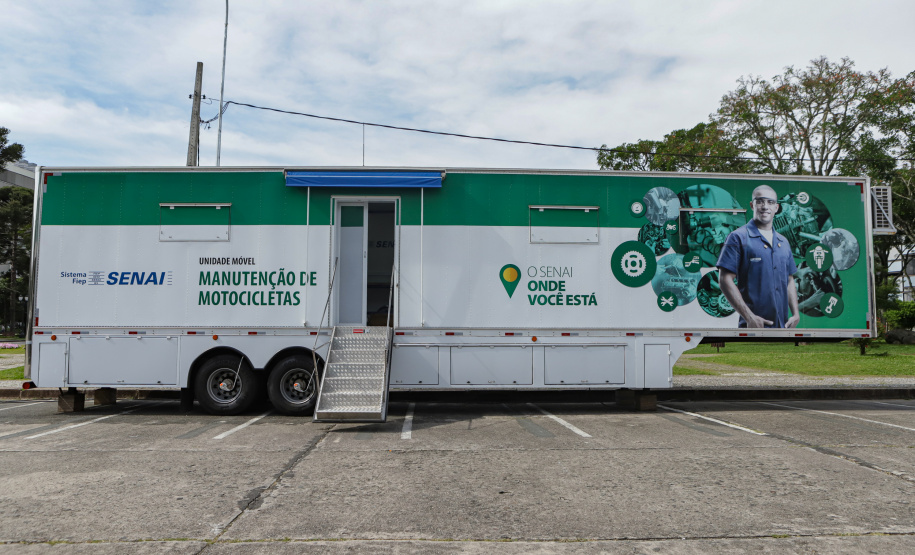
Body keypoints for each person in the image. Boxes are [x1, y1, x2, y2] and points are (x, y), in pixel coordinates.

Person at [716, 185, 800, 328]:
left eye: (770, 202)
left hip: (782, 327)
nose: (765, 206)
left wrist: (796, 314)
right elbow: (725, 279)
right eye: (760, 201)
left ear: (776, 208)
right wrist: (749, 318)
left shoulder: (783, 242)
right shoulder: (738, 238)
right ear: (752, 205)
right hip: (752, 328)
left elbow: (789, 279)